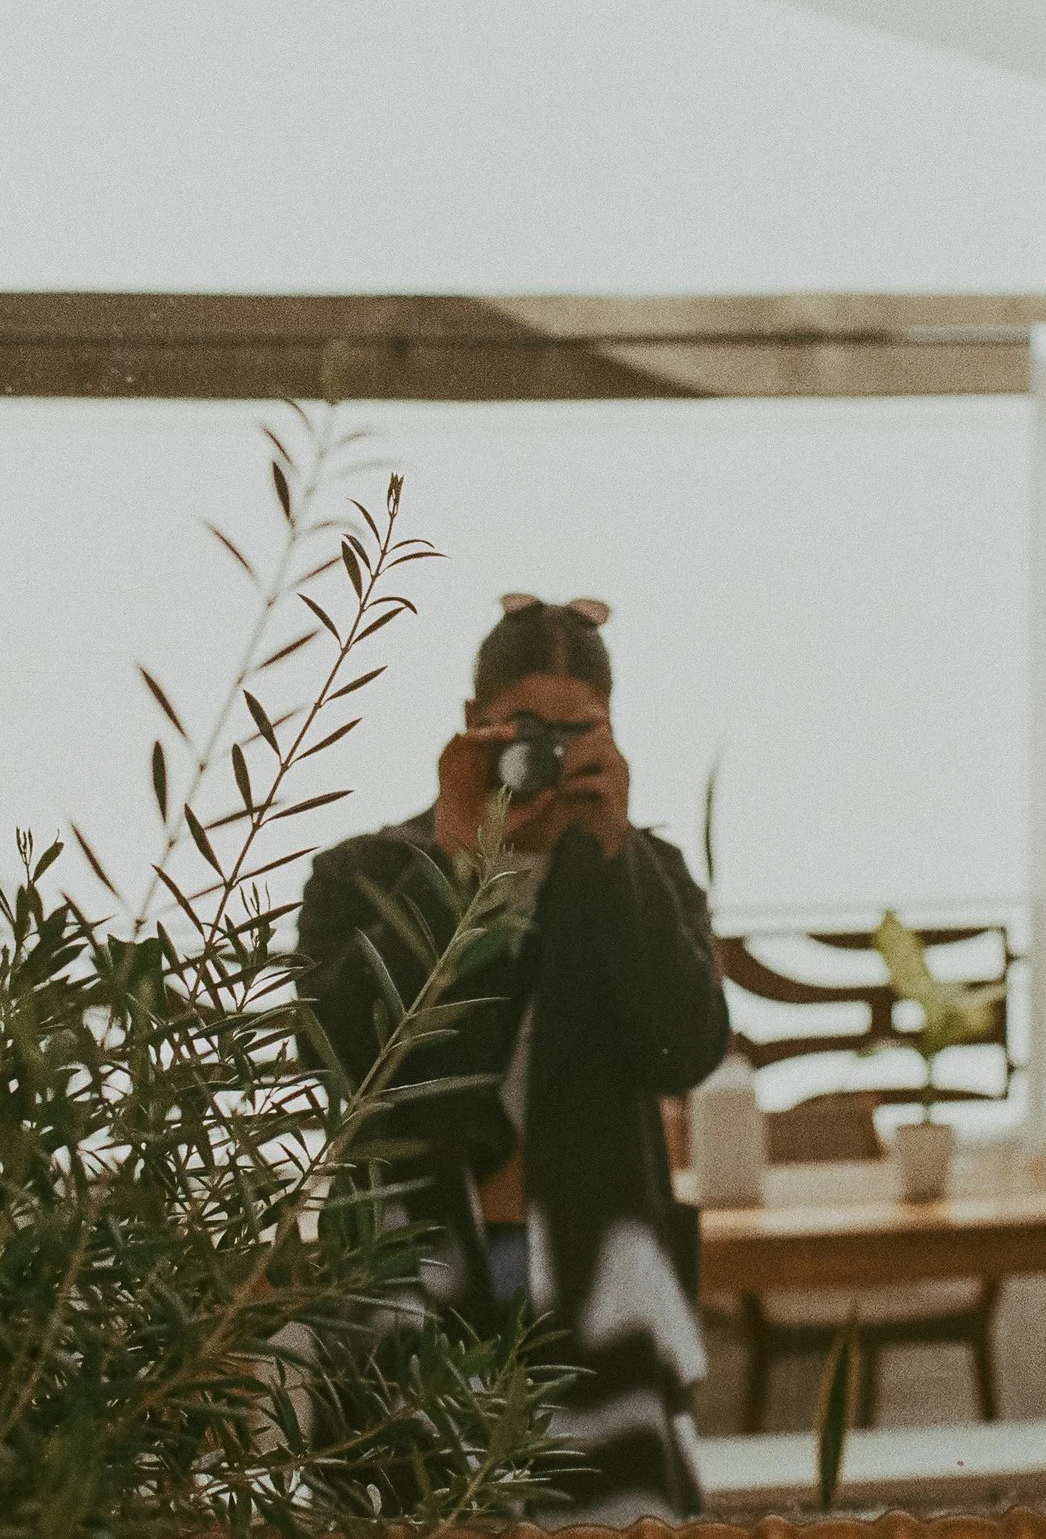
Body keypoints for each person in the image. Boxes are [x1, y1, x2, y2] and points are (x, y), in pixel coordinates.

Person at [297, 594, 730, 1526]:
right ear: (473, 728)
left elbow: (684, 1049)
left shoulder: (645, 874)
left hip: (596, 1280)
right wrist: (462, 862)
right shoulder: (364, 874)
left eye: (581, 732)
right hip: (409, 1275)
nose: (553, 753)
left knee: (605, 1519)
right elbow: (339, 1061)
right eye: (527, 729)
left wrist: (613, 850)